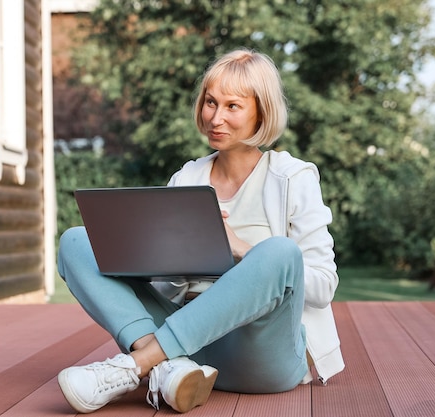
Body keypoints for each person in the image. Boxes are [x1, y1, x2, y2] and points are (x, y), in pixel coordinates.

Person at [56, 48, 344, 414]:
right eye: (211, 103)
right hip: (192, 351)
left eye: (232, 106)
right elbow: (167, 292)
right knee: (76, 241)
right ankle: (170, 369)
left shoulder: (293, 177)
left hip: (262, 355)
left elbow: (323, 286)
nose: (216, 118)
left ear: (262, 111)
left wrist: (241, 249)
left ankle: (136, 365)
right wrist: (168, 263)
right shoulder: (187, 178)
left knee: (279, 253)